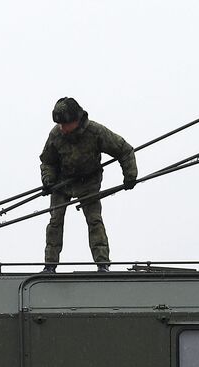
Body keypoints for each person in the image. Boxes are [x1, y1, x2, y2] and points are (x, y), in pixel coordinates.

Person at [39, 97, 137, 273]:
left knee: (94, 220)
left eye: (65, 124)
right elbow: (47, 161)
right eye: (60, 124)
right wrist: (48, 179)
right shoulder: (56, 134)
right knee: (55, 221)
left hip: (89, 182)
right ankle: (50, 266)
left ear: (76, 120)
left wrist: (130, 175)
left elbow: (124, 150)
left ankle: (102, 264)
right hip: (63, 182)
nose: (62, 128)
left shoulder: (95, 132)